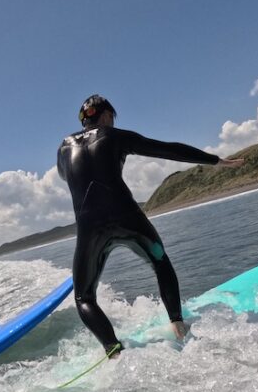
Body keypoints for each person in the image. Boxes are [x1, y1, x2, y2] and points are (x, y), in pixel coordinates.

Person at [57, 94, 244, 354]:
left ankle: (113, 350)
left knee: (84, 298)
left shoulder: (63, 148)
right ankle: (178, 325)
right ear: (107, 116)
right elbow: (168, 149)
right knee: (160, 261)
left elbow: (65, 174)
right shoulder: (114, 136)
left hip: (90, 229)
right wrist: (216, 160)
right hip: (127, 218)